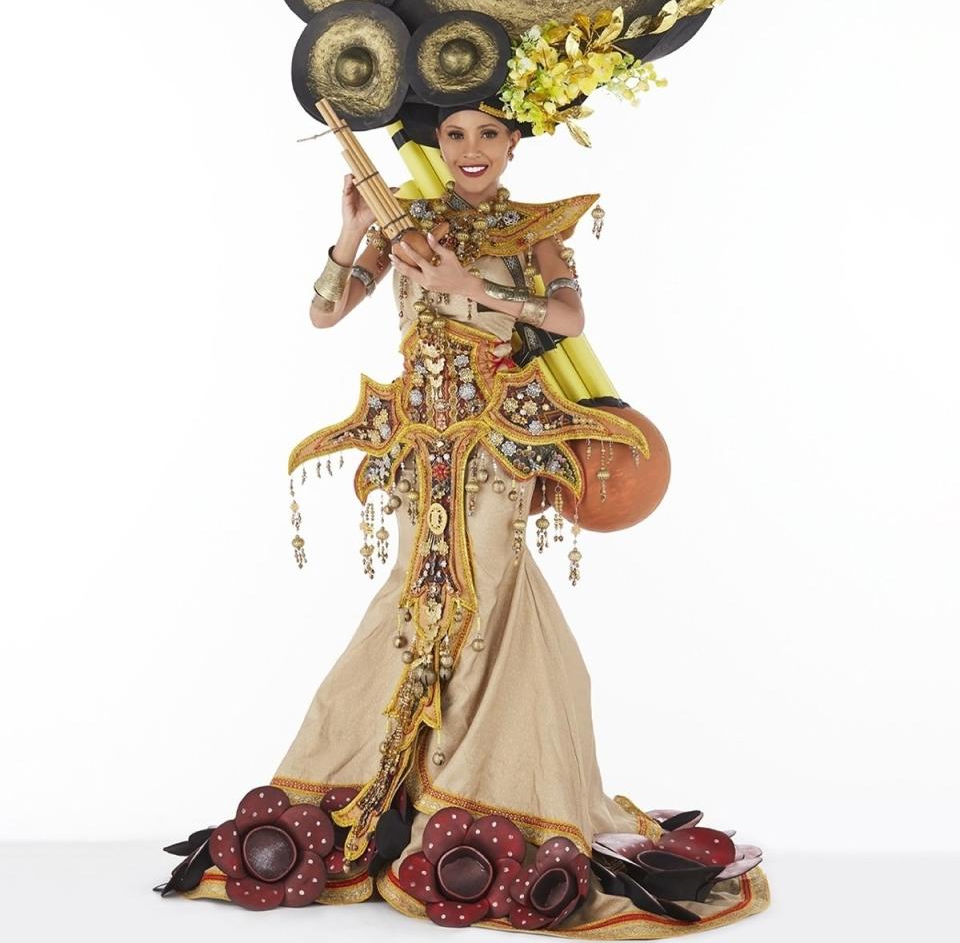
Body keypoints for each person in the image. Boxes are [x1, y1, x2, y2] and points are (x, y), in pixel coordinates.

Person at [158, 105, 769, 935]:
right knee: (418, 594)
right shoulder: (404, 225)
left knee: (481, 595)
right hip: (416, 447)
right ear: (437, 145)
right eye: (455, 135)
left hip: (496, 447)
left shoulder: (533, 227)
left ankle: (488, 786)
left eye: (489, 134)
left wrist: (468, 288)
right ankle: (394, 789)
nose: (472, 150)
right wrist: (351, 231)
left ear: (515, 143)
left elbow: (568, 318)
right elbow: (326, 313)